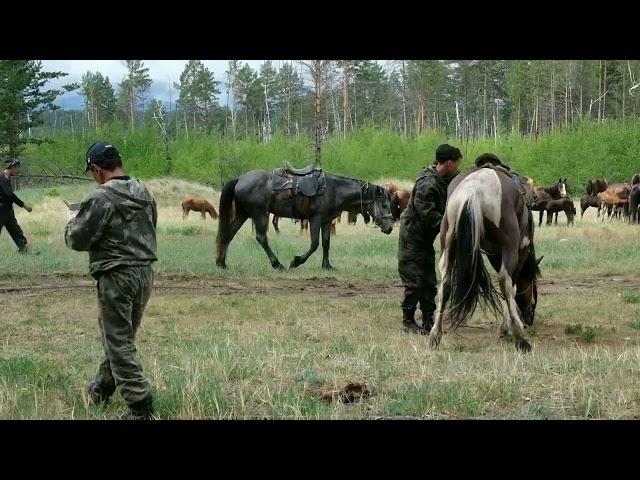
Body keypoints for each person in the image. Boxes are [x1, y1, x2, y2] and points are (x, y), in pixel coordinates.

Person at [65, 141, 158, 420]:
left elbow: (77, 239)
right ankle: (102, 388)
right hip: (144, 272)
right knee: (121, 336)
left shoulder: (100, 198)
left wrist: (71, 219)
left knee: (118, 341)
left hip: (116, 274)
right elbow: (151, 227)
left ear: (96, 170)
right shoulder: (144, 191)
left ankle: (140, 405)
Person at [398, 144, 462, 334]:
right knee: (413, 282)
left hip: (424, 241)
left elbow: (459, 179)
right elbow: (427, 214)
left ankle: (428, 319)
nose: (458, 167)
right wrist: (452, 227)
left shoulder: (442, 178)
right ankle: (408, 322)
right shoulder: (428, 183)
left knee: (428, 281)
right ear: (449, 162)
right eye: (457, 163)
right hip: (412, 239)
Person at [0, 159, 33, 253]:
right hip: (1, 209)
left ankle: (23, 248)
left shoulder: (7, 177)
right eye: (17, 168)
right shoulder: (2, 177)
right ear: (12, 167)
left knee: (15, 230)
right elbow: (9, 194)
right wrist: (23, 205)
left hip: (7, 210)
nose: (18, 171)